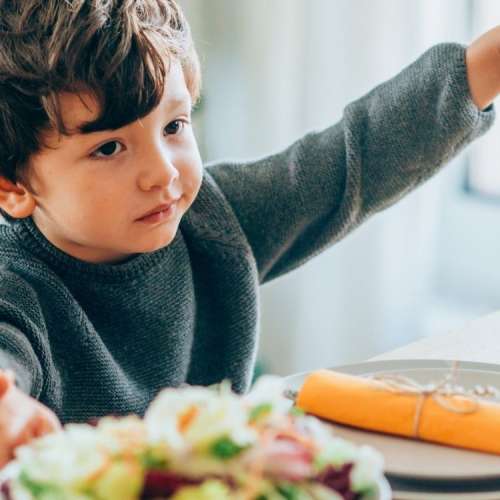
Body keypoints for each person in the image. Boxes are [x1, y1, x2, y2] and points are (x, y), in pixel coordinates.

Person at [0, 0, 498, 466]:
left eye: (173, 126)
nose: (164, 174)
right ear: (13, 188)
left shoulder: (214, 222)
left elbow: (358, 154)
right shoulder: (16, 288)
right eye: (109, 149)